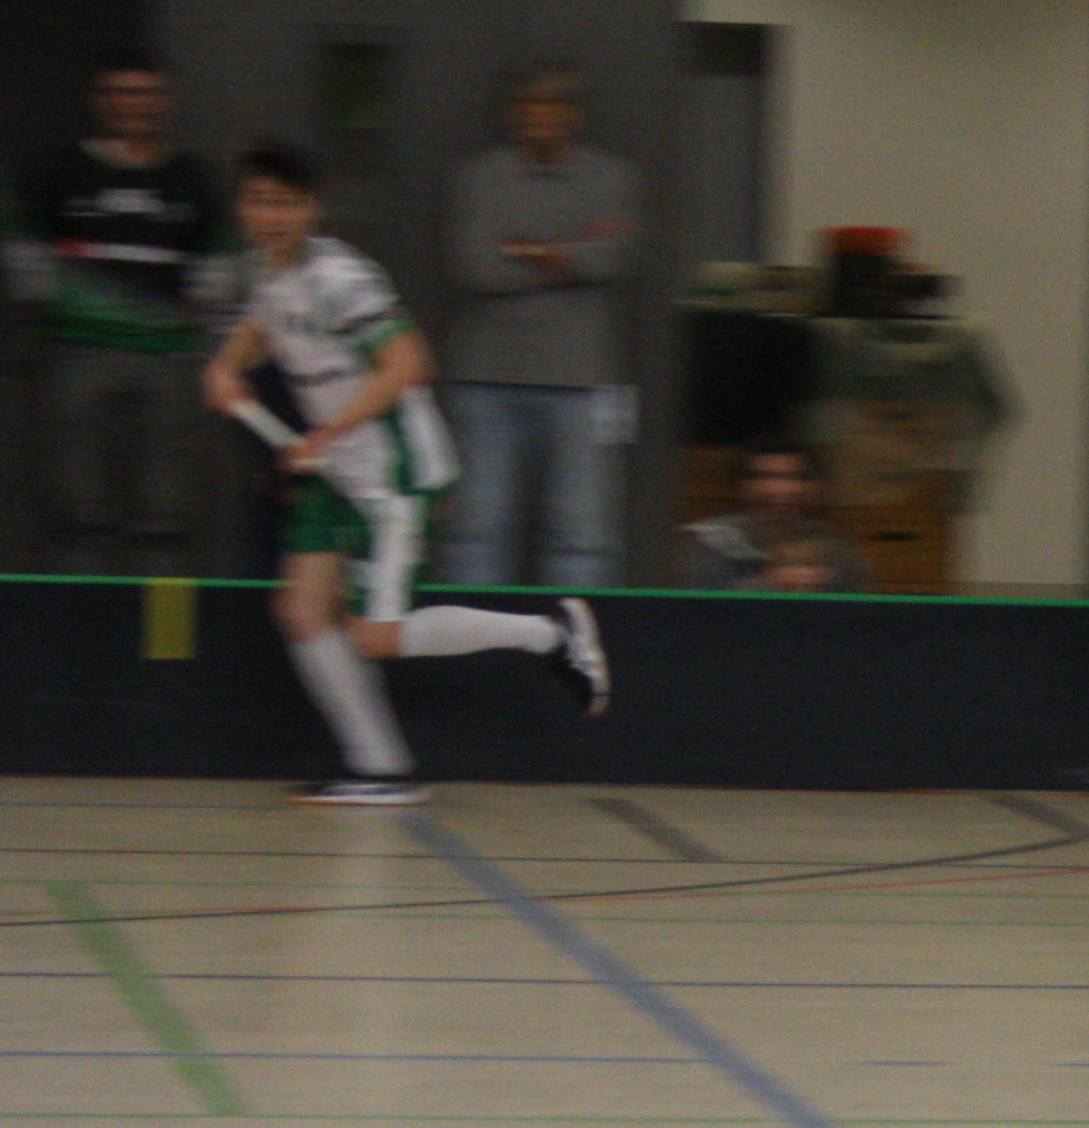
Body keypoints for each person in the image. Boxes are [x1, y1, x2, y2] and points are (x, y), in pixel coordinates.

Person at [203, 145, 607, 806]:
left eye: (286, 202)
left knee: (375, 636)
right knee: (302, 611)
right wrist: (226, 366)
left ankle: (552, 636)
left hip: (394, 469)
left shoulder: (341, 277)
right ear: (241, 206)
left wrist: (324, 434)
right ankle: (379, 766)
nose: (271, 216)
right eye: (258, 201)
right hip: (338, 471)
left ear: (313, 207)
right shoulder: (269, 271)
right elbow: (261, 325)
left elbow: (409, 364)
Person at [10, 51, 231, 573]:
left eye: (146, 94)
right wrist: (64, 310)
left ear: (166, 103)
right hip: (76, 353)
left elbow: (220, 270)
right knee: (76, 509)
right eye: (120, 93)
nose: (133, 105)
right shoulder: (58, 171)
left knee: (168, 515)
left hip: (170, 358)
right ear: (97, 101)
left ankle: (165, 647)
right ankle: (81, 632)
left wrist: (200, 333)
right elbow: (24, 259)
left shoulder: (194, 179)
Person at [439, 64, 638, 589]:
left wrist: (522, 249)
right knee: (476, 532)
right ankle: (474, 648)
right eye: (529, 107)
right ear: (511, 115)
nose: (541, 118)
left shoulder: (612, 177)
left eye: (555, 107)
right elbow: (472, 267)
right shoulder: (479, 176)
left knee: (583, 538)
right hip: (486, 379)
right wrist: (569, 253)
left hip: (584, 382)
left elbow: (615, 258)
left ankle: (578, 650)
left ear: (575, 116)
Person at [677, 441, 863, 593]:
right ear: (742, 485)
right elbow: (692, 613)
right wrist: (768, 583)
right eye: (765, 476)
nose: (781, 489)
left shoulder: (836, 545)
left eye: (795, 477)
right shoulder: (707, 541)